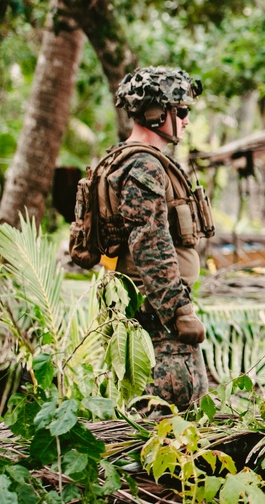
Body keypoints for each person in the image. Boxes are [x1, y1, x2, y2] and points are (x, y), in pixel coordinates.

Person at [109, 66, 213, 411]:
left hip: (154, 311)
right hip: (156, 315)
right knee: (169, 414)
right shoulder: (143, 166)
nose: (185, 120)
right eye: (180, 111)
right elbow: (149, 244)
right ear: (156, 115)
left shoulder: (134, 161)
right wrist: (179, 311)